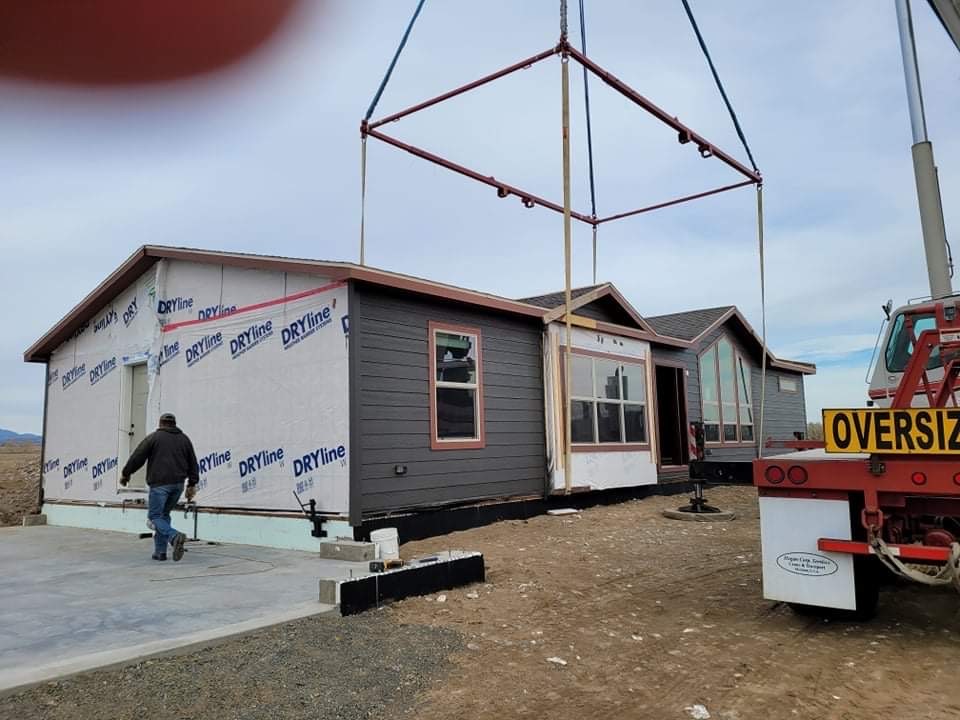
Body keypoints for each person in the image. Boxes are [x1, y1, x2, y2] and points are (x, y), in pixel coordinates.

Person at [120, 413, 199, 562]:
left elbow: (137, 457)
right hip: (178, 485)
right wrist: (192, 484)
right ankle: (160, 552)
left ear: (160, 424)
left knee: (155, 516)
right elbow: (193, 463)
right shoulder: (184, 439)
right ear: (174, 424)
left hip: (160, 485)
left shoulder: (154, 438)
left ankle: (174, 536)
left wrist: (126, 473)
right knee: (164, 516)